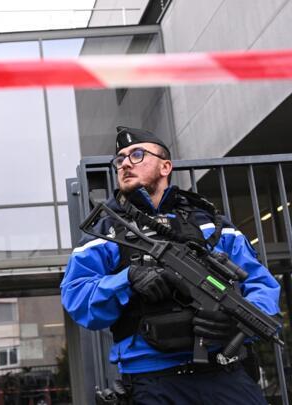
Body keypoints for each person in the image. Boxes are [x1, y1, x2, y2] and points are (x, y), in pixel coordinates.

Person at [60, 127, 281, 404]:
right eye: (120, 159)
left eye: (137, 155)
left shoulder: (212, 224)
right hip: (151, 380)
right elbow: (77, 298)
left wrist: (233, 323)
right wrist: (128, 279)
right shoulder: (106, 232)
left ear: (166, 166)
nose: (126, 163)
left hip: (224, 373)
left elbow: (261, 285)